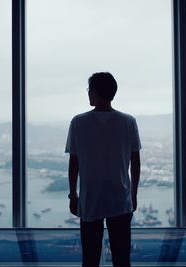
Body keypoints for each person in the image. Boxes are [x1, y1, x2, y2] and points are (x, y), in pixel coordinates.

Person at [65, 72, 141, 267]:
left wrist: (73, 195)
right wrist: (133, 196)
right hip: (120, 198)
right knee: (122, 259)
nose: (88, 94)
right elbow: (136, 163)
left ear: (95, 92)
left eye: (89, 90)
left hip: (90, 199)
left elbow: (74, 164)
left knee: (90, 259)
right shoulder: (128, 122)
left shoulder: (78, 123)